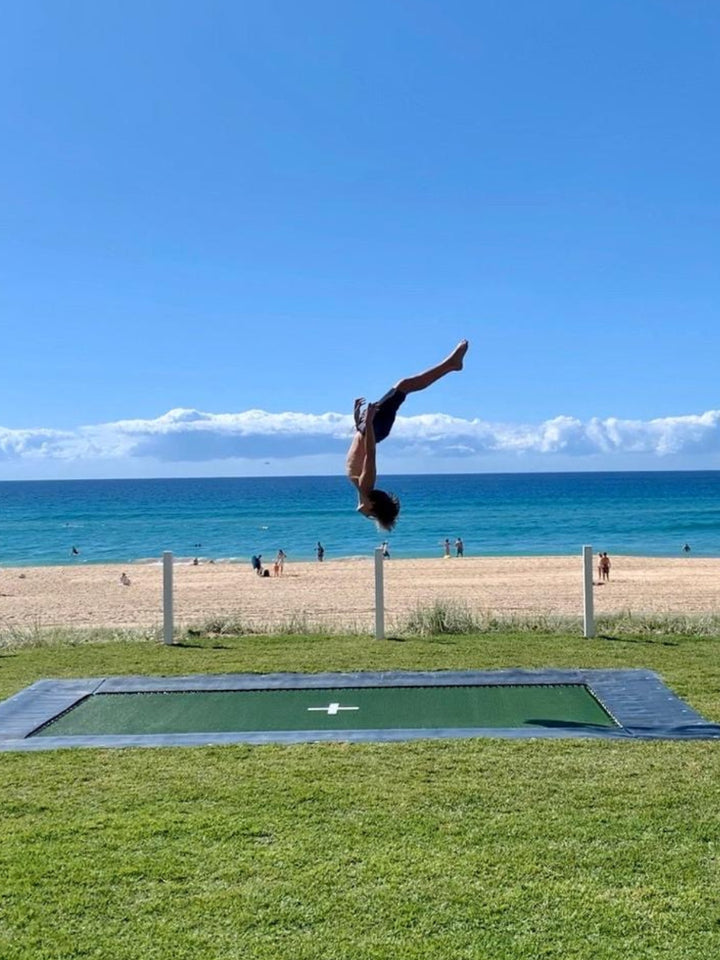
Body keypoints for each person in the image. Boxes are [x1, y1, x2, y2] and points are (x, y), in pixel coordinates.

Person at [346, 339, 469, 530]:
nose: (364, 513)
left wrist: (358, 421)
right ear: (373, 506)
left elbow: (360, 450)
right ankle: (451, 365)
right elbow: (370, 452)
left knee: (404, 386)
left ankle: (451, 365)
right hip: (373, 428)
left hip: (369, 428)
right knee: (404, 386)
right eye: (370, 514)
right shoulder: (365, 485)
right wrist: (368, 422)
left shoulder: (361, 489)